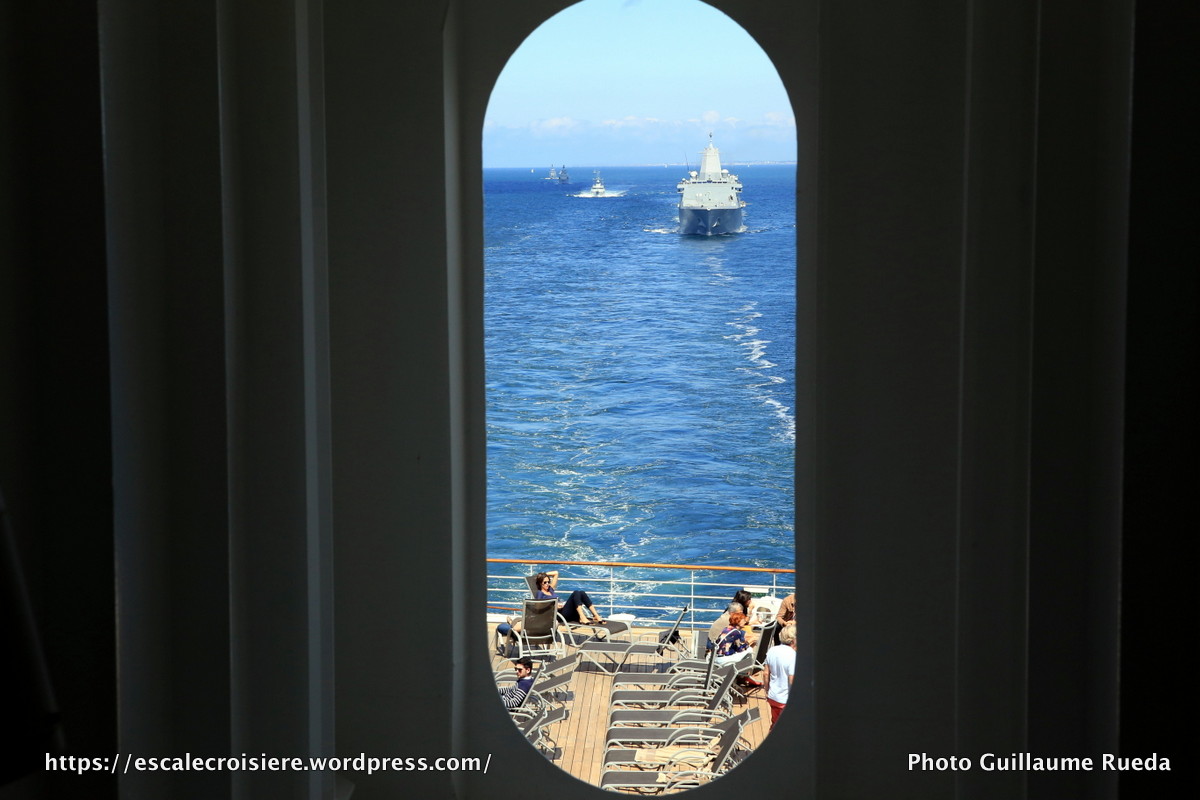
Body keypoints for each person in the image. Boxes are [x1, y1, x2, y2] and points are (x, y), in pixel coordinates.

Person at [534, 570, 604, 625]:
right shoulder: (540, 593)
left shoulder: (550, 589)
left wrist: (542, 575)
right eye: (545, 582)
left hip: (564, 611)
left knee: (581, 593)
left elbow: (556, 573)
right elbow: (538, 608)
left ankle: (596, 615)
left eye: (548, 582)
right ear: (540, 583)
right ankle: (582, 617)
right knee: (575, 593)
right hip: (558, 615)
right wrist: (554, 606)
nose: (547, 584)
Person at [761, 623, 796, 727]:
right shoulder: (793, 656)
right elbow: (791, 680)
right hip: (785, 700)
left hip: (773, 697)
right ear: (793, 640)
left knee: (775, 724)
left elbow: (766, 673)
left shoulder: (773, 650)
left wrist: (767, 690)